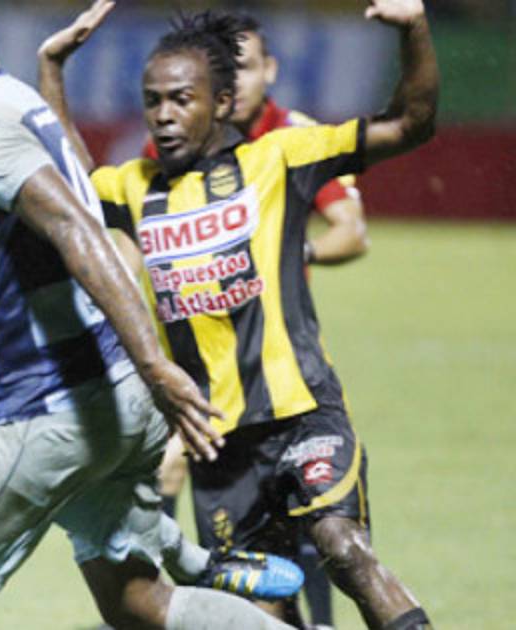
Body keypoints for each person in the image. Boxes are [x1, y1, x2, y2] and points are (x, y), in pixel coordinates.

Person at [0, 0, 303, 627]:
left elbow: (75, 230)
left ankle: (192, 558)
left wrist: (157, 364)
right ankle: (203, 567)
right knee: (138, 601)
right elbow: (19, 225)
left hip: (54, 405)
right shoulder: (14, 100)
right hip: (117, 396)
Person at [40, 1, 438, 628]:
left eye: (181, 99)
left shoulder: (281, 158)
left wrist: (414, 28)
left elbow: (411, 123)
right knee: (260, 611)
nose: (163, 115)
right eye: (152, 101)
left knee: (343, 549)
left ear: (222, 102)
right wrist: (52, 66)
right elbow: (67, 188)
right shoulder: (136, 185)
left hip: (301, 415)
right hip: (217, 446)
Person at [134, 14, 367, 628]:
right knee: (179, 474)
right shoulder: (177, 143)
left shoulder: (293, 137)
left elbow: (352, 232)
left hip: (280, 350)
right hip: (204, 360)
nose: (236, 80)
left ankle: (315, 619)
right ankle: (158, 600)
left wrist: (293, 250)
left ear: (269, 72)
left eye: (247, 67)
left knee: (310, 506)